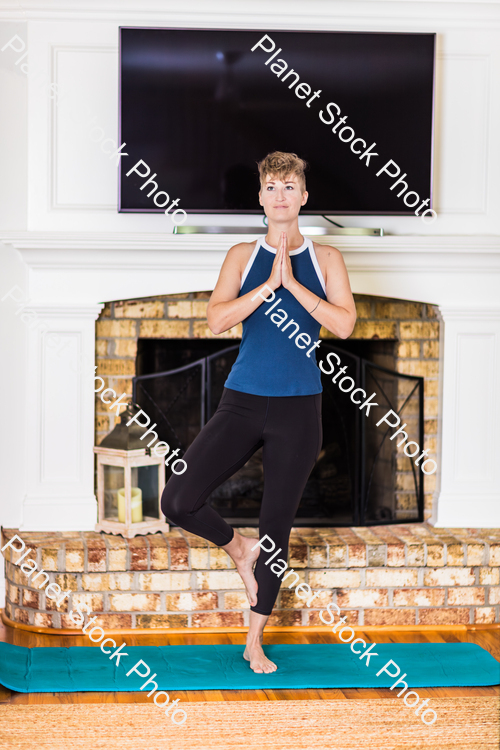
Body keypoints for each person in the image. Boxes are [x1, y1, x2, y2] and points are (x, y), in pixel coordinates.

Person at [161, 151, 356, 674]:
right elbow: (216, 318)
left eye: (290, 186)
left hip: (299, 409)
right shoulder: (242, 255)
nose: (280, 195)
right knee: (178, 498)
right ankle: (237, 546)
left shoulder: (328, 259)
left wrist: (294, 286)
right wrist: (267, 286)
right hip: (243, 401)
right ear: (262, 198)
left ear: (304, 197)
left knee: (278, 528)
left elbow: (344, 326)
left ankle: (254, 641)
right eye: (271, 186)